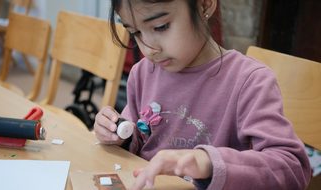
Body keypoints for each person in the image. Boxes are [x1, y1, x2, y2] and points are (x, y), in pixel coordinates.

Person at [94, 0, 311, 189]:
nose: (149, 48)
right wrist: (117, 133)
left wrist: (206, 162)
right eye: (136, 32)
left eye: (161, 26)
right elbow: (137, 137)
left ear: (205, 4)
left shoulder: (249, 81)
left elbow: (292, 169)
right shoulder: (142, 73)